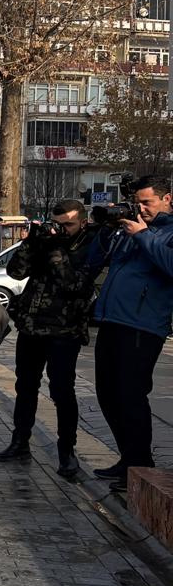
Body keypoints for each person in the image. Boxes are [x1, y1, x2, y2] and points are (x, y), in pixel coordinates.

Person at [0, 201, 102, 480]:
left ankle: (67, 451)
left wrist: (55, 251)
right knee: (25, 386)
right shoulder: (45, 242)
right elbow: (15, 272)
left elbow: (75, 285)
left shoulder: (91, 245)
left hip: (64, 331)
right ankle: (20, 441)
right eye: (58, 224)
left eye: (68, 225)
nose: (62, 230)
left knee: (62, 391)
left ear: (83, 223)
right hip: (32, 327)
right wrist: (31, 243)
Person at [88, 176, 173, 492]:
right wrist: (106, 230)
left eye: (147, 202)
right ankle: (128, 459)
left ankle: (140, 465)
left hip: (143, 325)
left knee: (130, 394)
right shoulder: (131, 228)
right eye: (138, 202)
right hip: (112, 319)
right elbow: (94, 261)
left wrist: (143, 235)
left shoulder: (165, 232)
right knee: (107, 393)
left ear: (167, 199)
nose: (142, 208)